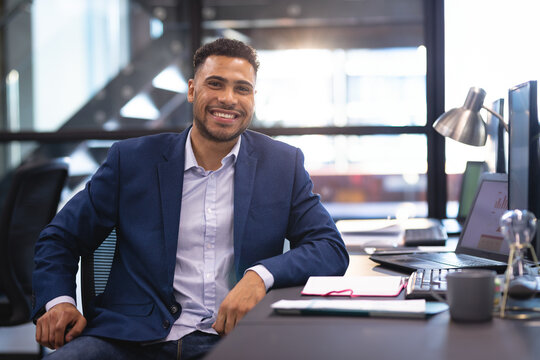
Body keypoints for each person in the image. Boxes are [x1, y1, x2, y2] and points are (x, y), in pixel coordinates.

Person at [32, 38, 349, 359]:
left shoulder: (282, 164)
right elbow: (60, 238)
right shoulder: (132, 160)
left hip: (237, 338)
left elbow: (329, 248)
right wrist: (60, 302)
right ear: (192, 90)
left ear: (253, 97)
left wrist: (259, 277)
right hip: (130, 339)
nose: (228, 99)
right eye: (215, 84)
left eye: (242, 89)